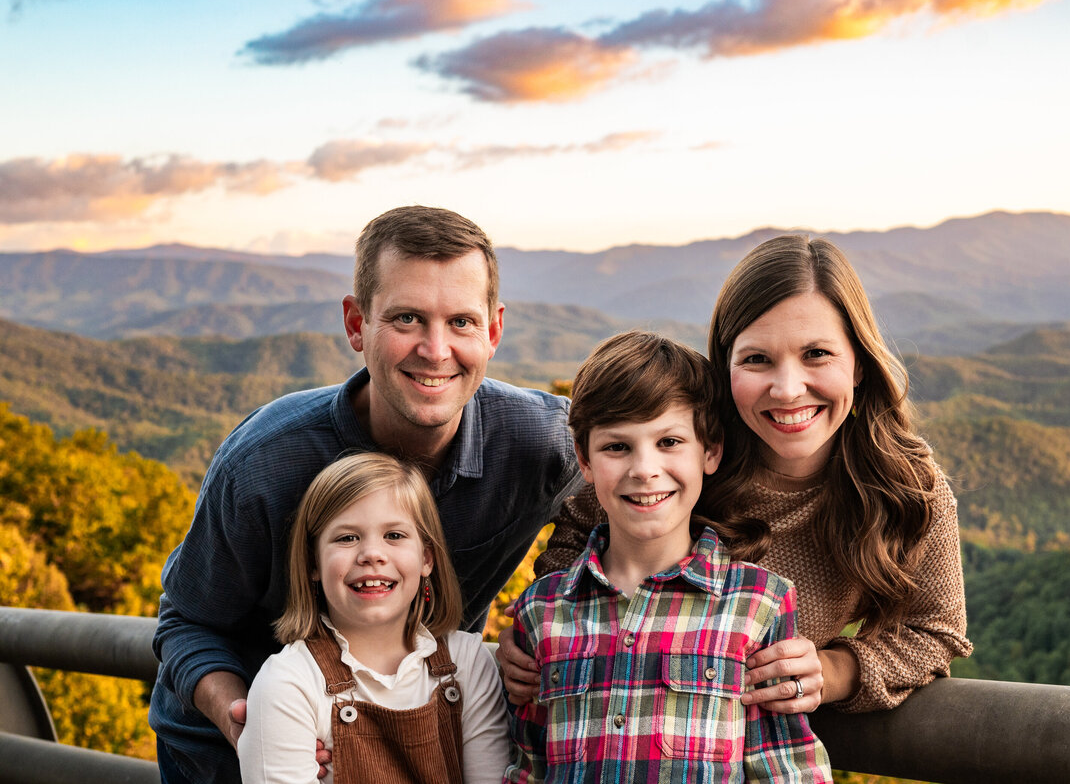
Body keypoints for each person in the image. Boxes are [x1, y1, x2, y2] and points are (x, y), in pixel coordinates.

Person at [152, 206, 582, 782]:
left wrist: (544, 616)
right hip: (251, 747)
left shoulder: (544, 442)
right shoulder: (265, 465)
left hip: (422, 737)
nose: (435, 350)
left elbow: (669, 475)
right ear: (357, 324)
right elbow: (187, 623)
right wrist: (244, 720)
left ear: (494, 330)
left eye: (461, 322)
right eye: (406, 319)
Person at [500, 235, 971, 717]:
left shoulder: (903, 485)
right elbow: (582, 526)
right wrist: (536, 633)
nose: (788, 390)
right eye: (757, 359)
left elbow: (935, 630)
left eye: (817, 354)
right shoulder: (681, 456)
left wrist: (834, 671)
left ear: (858, 364)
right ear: (726, 368)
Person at [504, 330, 833, 783]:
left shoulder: (758, 604)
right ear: (584, 460)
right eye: (617, 447)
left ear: (710, 450)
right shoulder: (541, 612)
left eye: (669, 442)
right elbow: (528, 768)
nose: (644, 469)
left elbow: (785, 769)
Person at [239, 452, 508, 784]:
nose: (371, 555)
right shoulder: (290, 683)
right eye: (347, 538)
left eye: (394, 535)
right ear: (312, 564)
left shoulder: (468, 664)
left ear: (426, 558)